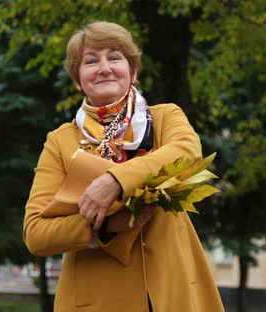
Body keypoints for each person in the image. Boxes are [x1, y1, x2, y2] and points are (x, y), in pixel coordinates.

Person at [24, 21, 225, 312]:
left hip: (175, 295)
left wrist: (114, 181)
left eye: (114, 57)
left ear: (132, 71)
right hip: (97, 301)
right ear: (78, 79)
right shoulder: (60, 142)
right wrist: (102, 227)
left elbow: (187, 152)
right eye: (91, 61)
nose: (104, 68)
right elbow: (36, 234)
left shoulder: (165, 117)